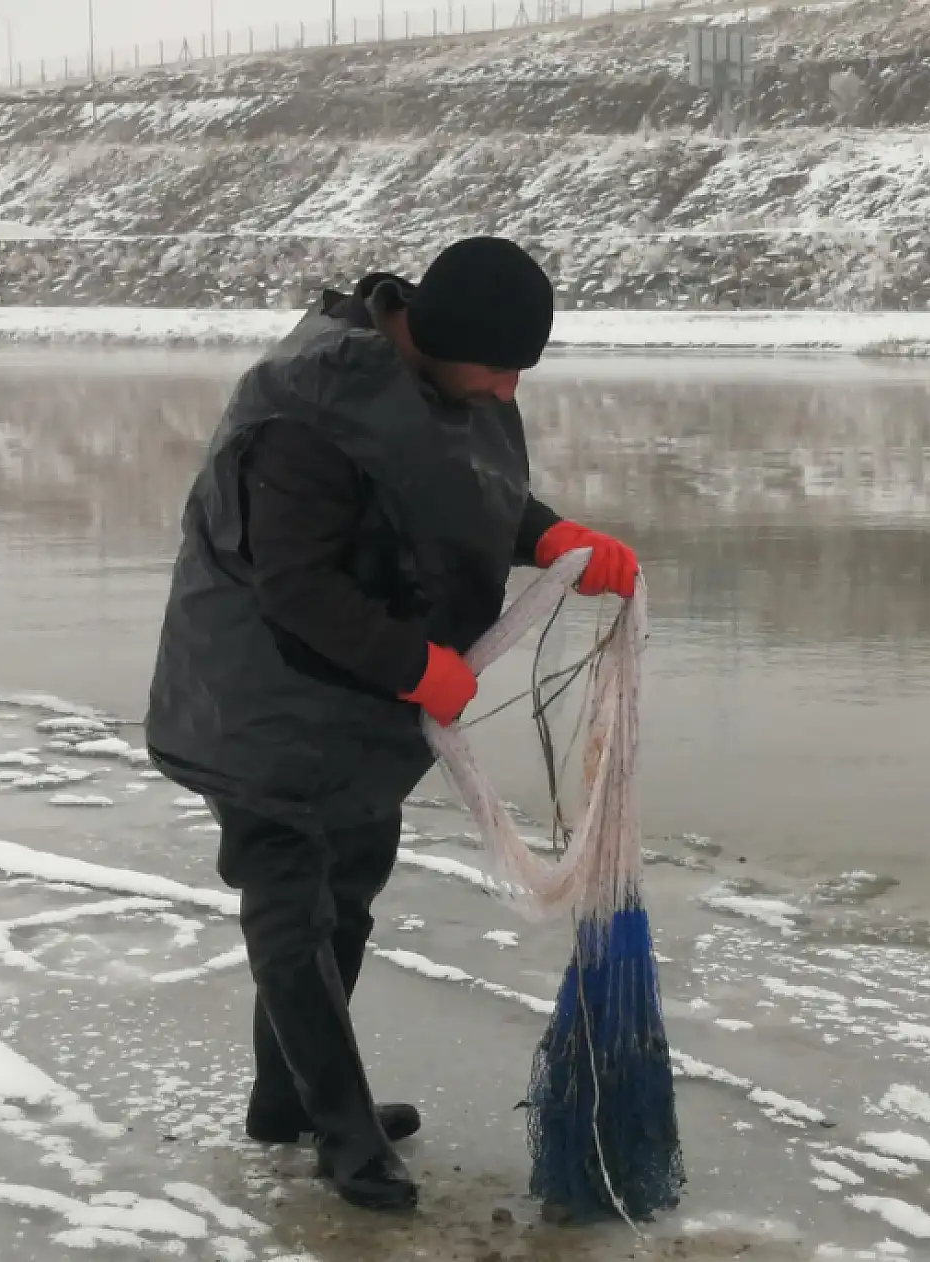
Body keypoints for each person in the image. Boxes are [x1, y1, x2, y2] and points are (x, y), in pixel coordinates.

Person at [144, 237, 638, 1213]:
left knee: (351, 891)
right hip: (256, 699)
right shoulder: (302, 412)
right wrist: (418, 664)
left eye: (515, 374)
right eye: (498, 368)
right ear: (446, 337)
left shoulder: (445, 390)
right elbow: (293, 582)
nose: (504, 392)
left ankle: (283, 1101)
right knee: (291, 909)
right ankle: (341, 1130)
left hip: (353, 706)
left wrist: (548, 537)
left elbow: (458, 488)